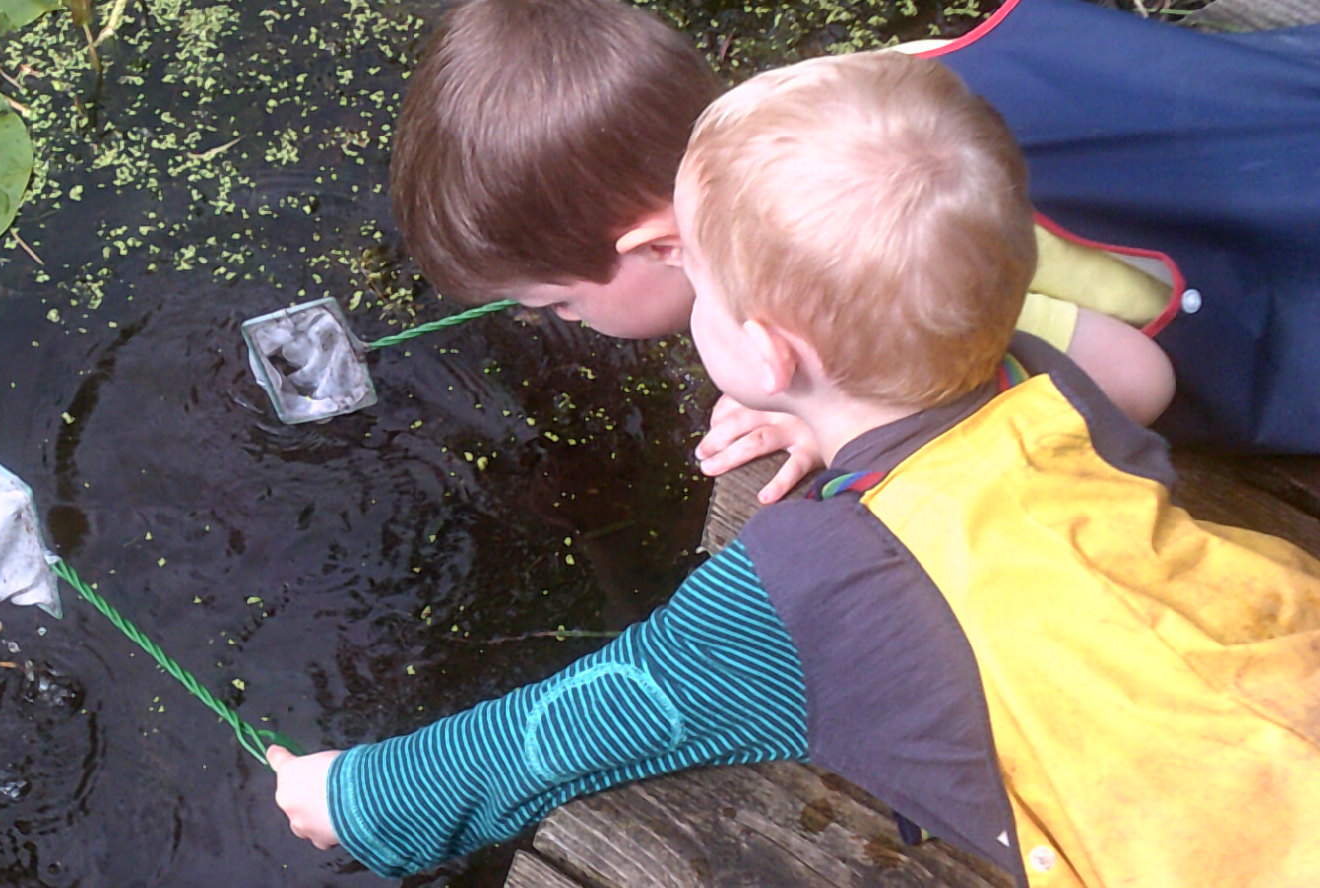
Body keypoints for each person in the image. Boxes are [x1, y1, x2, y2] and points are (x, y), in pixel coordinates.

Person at [272, 52, 1320, 886]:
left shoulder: (805, 582)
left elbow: (565, 729)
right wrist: (836, 419)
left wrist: (355, 798)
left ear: (770, 355)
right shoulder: (1048, 392)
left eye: (704, 281)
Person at [391, 0, 1318, 484]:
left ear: (656, 245)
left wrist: (846, 410)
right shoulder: (820, 107)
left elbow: (1137, 381)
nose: (554, 323)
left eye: (556, 303)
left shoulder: (865, 260)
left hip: (1266, 306)